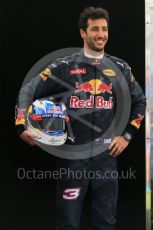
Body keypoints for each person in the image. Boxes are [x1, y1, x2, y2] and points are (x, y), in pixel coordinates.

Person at [15, 6, 146, 230]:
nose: (101, 34)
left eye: (104, 29)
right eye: (95, 29)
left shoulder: (120, 67)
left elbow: (140, 102)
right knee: (67, 220)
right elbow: (28, 91)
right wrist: (21, 125)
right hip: (73, 156)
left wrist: (127, 135)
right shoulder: (64, 66)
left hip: (106, 157)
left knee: (106, 220)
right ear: (83, 33)